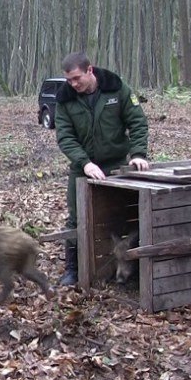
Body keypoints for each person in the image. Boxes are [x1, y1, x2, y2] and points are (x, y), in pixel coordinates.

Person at [54, 52, 150, 286]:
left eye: (77, 78)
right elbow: (65, 137)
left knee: (122, 216)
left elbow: (137, 122)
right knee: (76, 218)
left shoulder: (116, 89)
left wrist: (138, 154)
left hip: (116, 165)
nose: (73, 84)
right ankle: (73, 269)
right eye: (69, 80)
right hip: (83, 167)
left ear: (90, 70)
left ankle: (129, 268)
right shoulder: (65, 99)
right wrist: (85, 163)